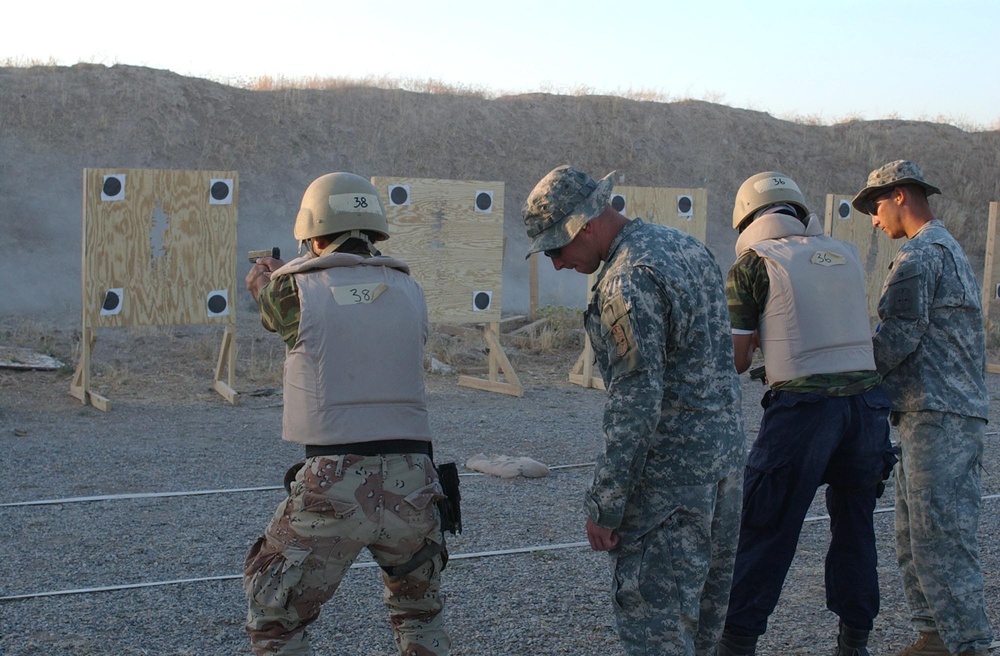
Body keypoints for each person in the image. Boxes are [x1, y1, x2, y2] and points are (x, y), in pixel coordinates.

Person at [523, 165, 745, 656]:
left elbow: (636, 399)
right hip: (723, 475)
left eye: (556, 248)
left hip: (668, 489)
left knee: (658, 633)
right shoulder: (686, 248)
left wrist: (607, 502)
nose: (556, 263)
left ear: (585, 225)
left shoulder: (626, 280)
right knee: (704, 629)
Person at [243, 172, 451, 656]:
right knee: (419, 616)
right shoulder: (410, 288)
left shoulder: (290, 290)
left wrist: (267, 278)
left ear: (313, 233)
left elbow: (281, 312)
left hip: (332, 481)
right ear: (375, 231)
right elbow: (361, 306)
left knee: (274, 614)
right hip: (415, 479)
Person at [719, 171, 896, 656]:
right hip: (866, 408)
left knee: (766, 529)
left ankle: (736, 643)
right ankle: (854, 642)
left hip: (803, 413)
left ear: (747, 217)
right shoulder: (846, 253)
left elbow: (736, 359)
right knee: (856, 529)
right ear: (797, 208)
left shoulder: (754, 263)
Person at [852, 160, 993, 656]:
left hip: (940, 416)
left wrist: (839, 368)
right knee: (915, 536)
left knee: (940, 539)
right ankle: (934, 636)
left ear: (900, 196)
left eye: (874, 206)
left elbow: (895, 339)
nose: (873, 218)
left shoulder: (921, 255)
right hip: (930, 413)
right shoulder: (944, 248)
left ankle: (971, 645)